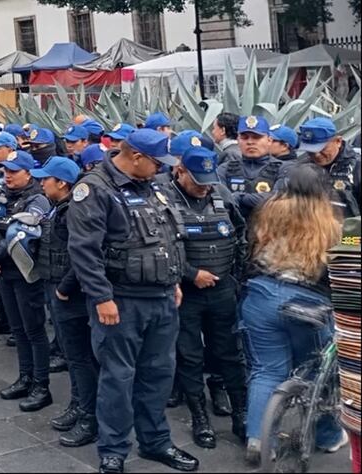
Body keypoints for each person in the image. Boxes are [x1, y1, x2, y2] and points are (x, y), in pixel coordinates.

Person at [67, 128, 197, 473]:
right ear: (136, 157)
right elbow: (84, 251)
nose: (162, 169)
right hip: (121, 302)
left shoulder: (152, 184)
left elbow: (168, 237)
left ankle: (156, 442)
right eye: (157, 162)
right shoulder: (95, 189)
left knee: (159, 374)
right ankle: (113, 450)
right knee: (117, 379)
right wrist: (101, 297)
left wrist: (174, 279)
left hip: (162, 298)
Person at [238, 165, 347, 463]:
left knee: (266, 370)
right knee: (318, 370)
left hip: (261, 296)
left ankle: (259, 440)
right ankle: (328, 436)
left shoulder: (269, 211)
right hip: (307, 304)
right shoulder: (331, 223)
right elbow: (346, 260)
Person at [165, 147, 249, 449]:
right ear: (180, 171)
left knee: (230, 353)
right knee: (189, 356)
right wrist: (190, 274)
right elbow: (161, 248)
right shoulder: (164, 199)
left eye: (208, 180)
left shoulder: (221, 194)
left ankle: (241, 413)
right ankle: (200, 417)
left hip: (223, 289)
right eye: (197, 180)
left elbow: (240, 235)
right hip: (186, 294)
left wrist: (237, 275)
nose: (204, 187)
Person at [35, 156, 99, 447]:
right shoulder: (59, 207)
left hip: (70, 294)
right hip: (58, 288)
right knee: (75, 357)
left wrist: (64, 288)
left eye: (46, 179)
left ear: (62, 183)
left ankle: (89, 416)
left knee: (80, 357)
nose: (42, 184)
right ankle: (79, 404)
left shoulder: (73, 210)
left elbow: (83, 254)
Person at [0, 150, 53, 410]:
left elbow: (19, 235)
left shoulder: (37, 200)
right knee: (18, 329)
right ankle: (25, 377)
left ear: (28, 173)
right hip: (6, 272)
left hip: (27, 274)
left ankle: (41, 385)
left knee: (34, 330)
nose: (8, 175)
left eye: (14, 171)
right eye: (6, 170)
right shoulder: (4, 196)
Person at [217, 115, 282, 223]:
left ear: (269, 140)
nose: (250, 142)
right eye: (245, 137)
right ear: (238, 140)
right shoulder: (224, 169)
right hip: (233, 229)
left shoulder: (284, 169)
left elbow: (278, 200)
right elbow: (220, 200)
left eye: (256, 137)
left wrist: (239, 197)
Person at [293, 117, 360, 217]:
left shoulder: (357, 167)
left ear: (338, 141)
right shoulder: (302, 168)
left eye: (322, 149)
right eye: (311, 151)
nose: (316, 155)